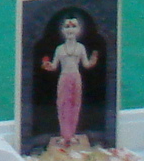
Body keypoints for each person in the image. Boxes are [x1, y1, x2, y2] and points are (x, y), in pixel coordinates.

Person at [41, 13, 100, 149]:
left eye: (73, 27)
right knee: (63, 105)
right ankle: (64, 135)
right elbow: (54, 66)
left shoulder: (80, 48)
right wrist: (47, 65)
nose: (70, 30)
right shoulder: (60, 49)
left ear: (78, 30)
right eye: (67, 27)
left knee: (75, 104)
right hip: (64, 78)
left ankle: (72, 135)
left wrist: (93, 59)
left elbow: (86, 64)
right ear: (62, 30)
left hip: (76, 77)